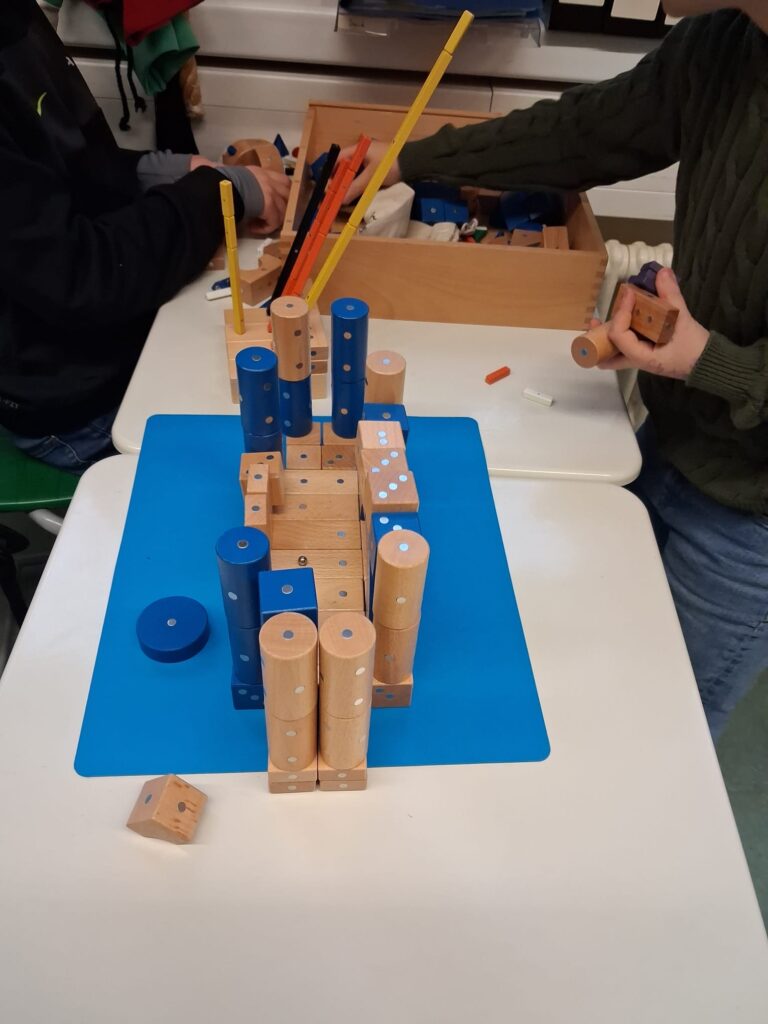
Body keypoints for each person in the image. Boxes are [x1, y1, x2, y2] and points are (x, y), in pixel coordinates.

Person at [343, 0, 768, 739]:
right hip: (666, 443)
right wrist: (412, 160)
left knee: (662, 737)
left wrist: (710, 361)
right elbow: (584, 131)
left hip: (750, 517)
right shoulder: (723, 43)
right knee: (585, 683)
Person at [0, 0, 289, 472]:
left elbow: (70, 168)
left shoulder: (14, 19)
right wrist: (218, 193)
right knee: (248, 465)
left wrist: (156, 170)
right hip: (73, 404)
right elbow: (82, 275)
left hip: (100, 347)